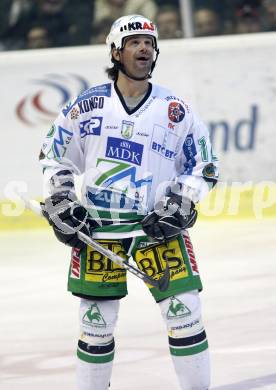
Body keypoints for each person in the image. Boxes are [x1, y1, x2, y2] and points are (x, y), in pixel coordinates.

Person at [39, 14, 218, 390]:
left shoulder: (175, 109)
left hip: (156, 229)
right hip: (98, 232)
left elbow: (204, 165)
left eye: (150, 44)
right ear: (115, 51)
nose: (144, 49)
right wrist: (60, 199)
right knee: (95, 327)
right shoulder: (86, 107)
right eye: (135, 42)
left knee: (185, 315)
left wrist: (181, 203)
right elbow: (55, 156)